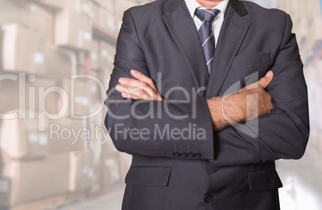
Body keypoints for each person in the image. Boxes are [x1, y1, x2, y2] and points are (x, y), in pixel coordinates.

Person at [104, 0, 309, 209]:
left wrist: (168, 118)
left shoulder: (273, 24)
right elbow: (125, 126)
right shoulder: (140, 21)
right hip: (159, 200)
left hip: (246, 201)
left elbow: (291, 134)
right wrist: (233, 107)